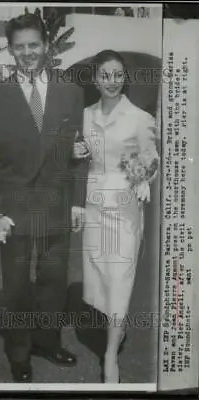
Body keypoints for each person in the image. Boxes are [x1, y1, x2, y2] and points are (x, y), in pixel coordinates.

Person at [0, 13, 89, 382]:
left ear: (46, 45)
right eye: (19, 47)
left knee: (54, 282)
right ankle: (19, 353)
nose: (27, 53)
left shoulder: (71, 92)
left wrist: (77, 202)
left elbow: (79, 152)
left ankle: (47, 340)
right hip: (14, 209)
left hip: (57, 205)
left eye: (34, 45)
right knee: (16, 287)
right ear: (10, 50)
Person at [73, 50, 159, 383]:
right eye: (105, 75)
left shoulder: (139, 118)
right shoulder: (83, 116)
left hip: (124, 208)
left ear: (125, 78)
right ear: (95, 79)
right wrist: (75, 152)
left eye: (118, 75)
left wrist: (141, 178)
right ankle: (115, 330)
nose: (112, 82)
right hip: (94, 206)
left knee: (121, 277)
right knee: (100, 275)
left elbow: (150, 158)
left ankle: (110, 355)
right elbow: (77, 158)